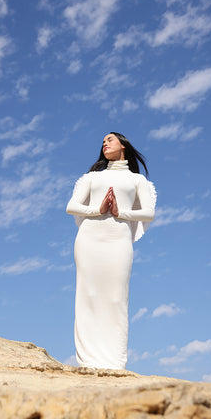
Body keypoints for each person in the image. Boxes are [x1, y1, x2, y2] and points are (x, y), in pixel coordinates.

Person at [66, 132, 156, 370]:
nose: (104, 143)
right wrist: (99, 208)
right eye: (103, 141)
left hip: (119, 240)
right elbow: (71, 206)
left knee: (117, 298)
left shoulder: (138, 181)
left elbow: (149, 213)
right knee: (88, 297)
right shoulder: (91, 178)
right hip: (89, 240)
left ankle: (115, 363)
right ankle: (87, 361)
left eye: (110, 140)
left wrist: (120, 212)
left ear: (123, 146)